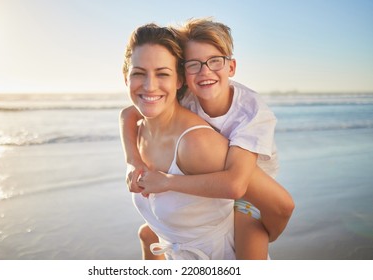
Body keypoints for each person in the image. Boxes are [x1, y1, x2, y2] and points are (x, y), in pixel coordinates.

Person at [120, 18, 295, 260]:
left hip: (248, 190)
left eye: (215, 62)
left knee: (251, 251)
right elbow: (128, 113)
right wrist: (133, 160)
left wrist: (268, 232)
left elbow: (236, 185)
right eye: (194, 64)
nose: (205, 72)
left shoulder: (252, 113)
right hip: (220, 183)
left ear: (231, 67)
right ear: (184, 73)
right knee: (149, 233)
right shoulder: (189, 95)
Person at [122, 23, 236, 259]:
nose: (149, 85)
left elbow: (272, 204)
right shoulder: (138, 131)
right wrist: (132, 160)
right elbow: (125, 115)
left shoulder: (197, 143)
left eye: (162, 73)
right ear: (126, 77)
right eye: (138, 73)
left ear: (179, 80)